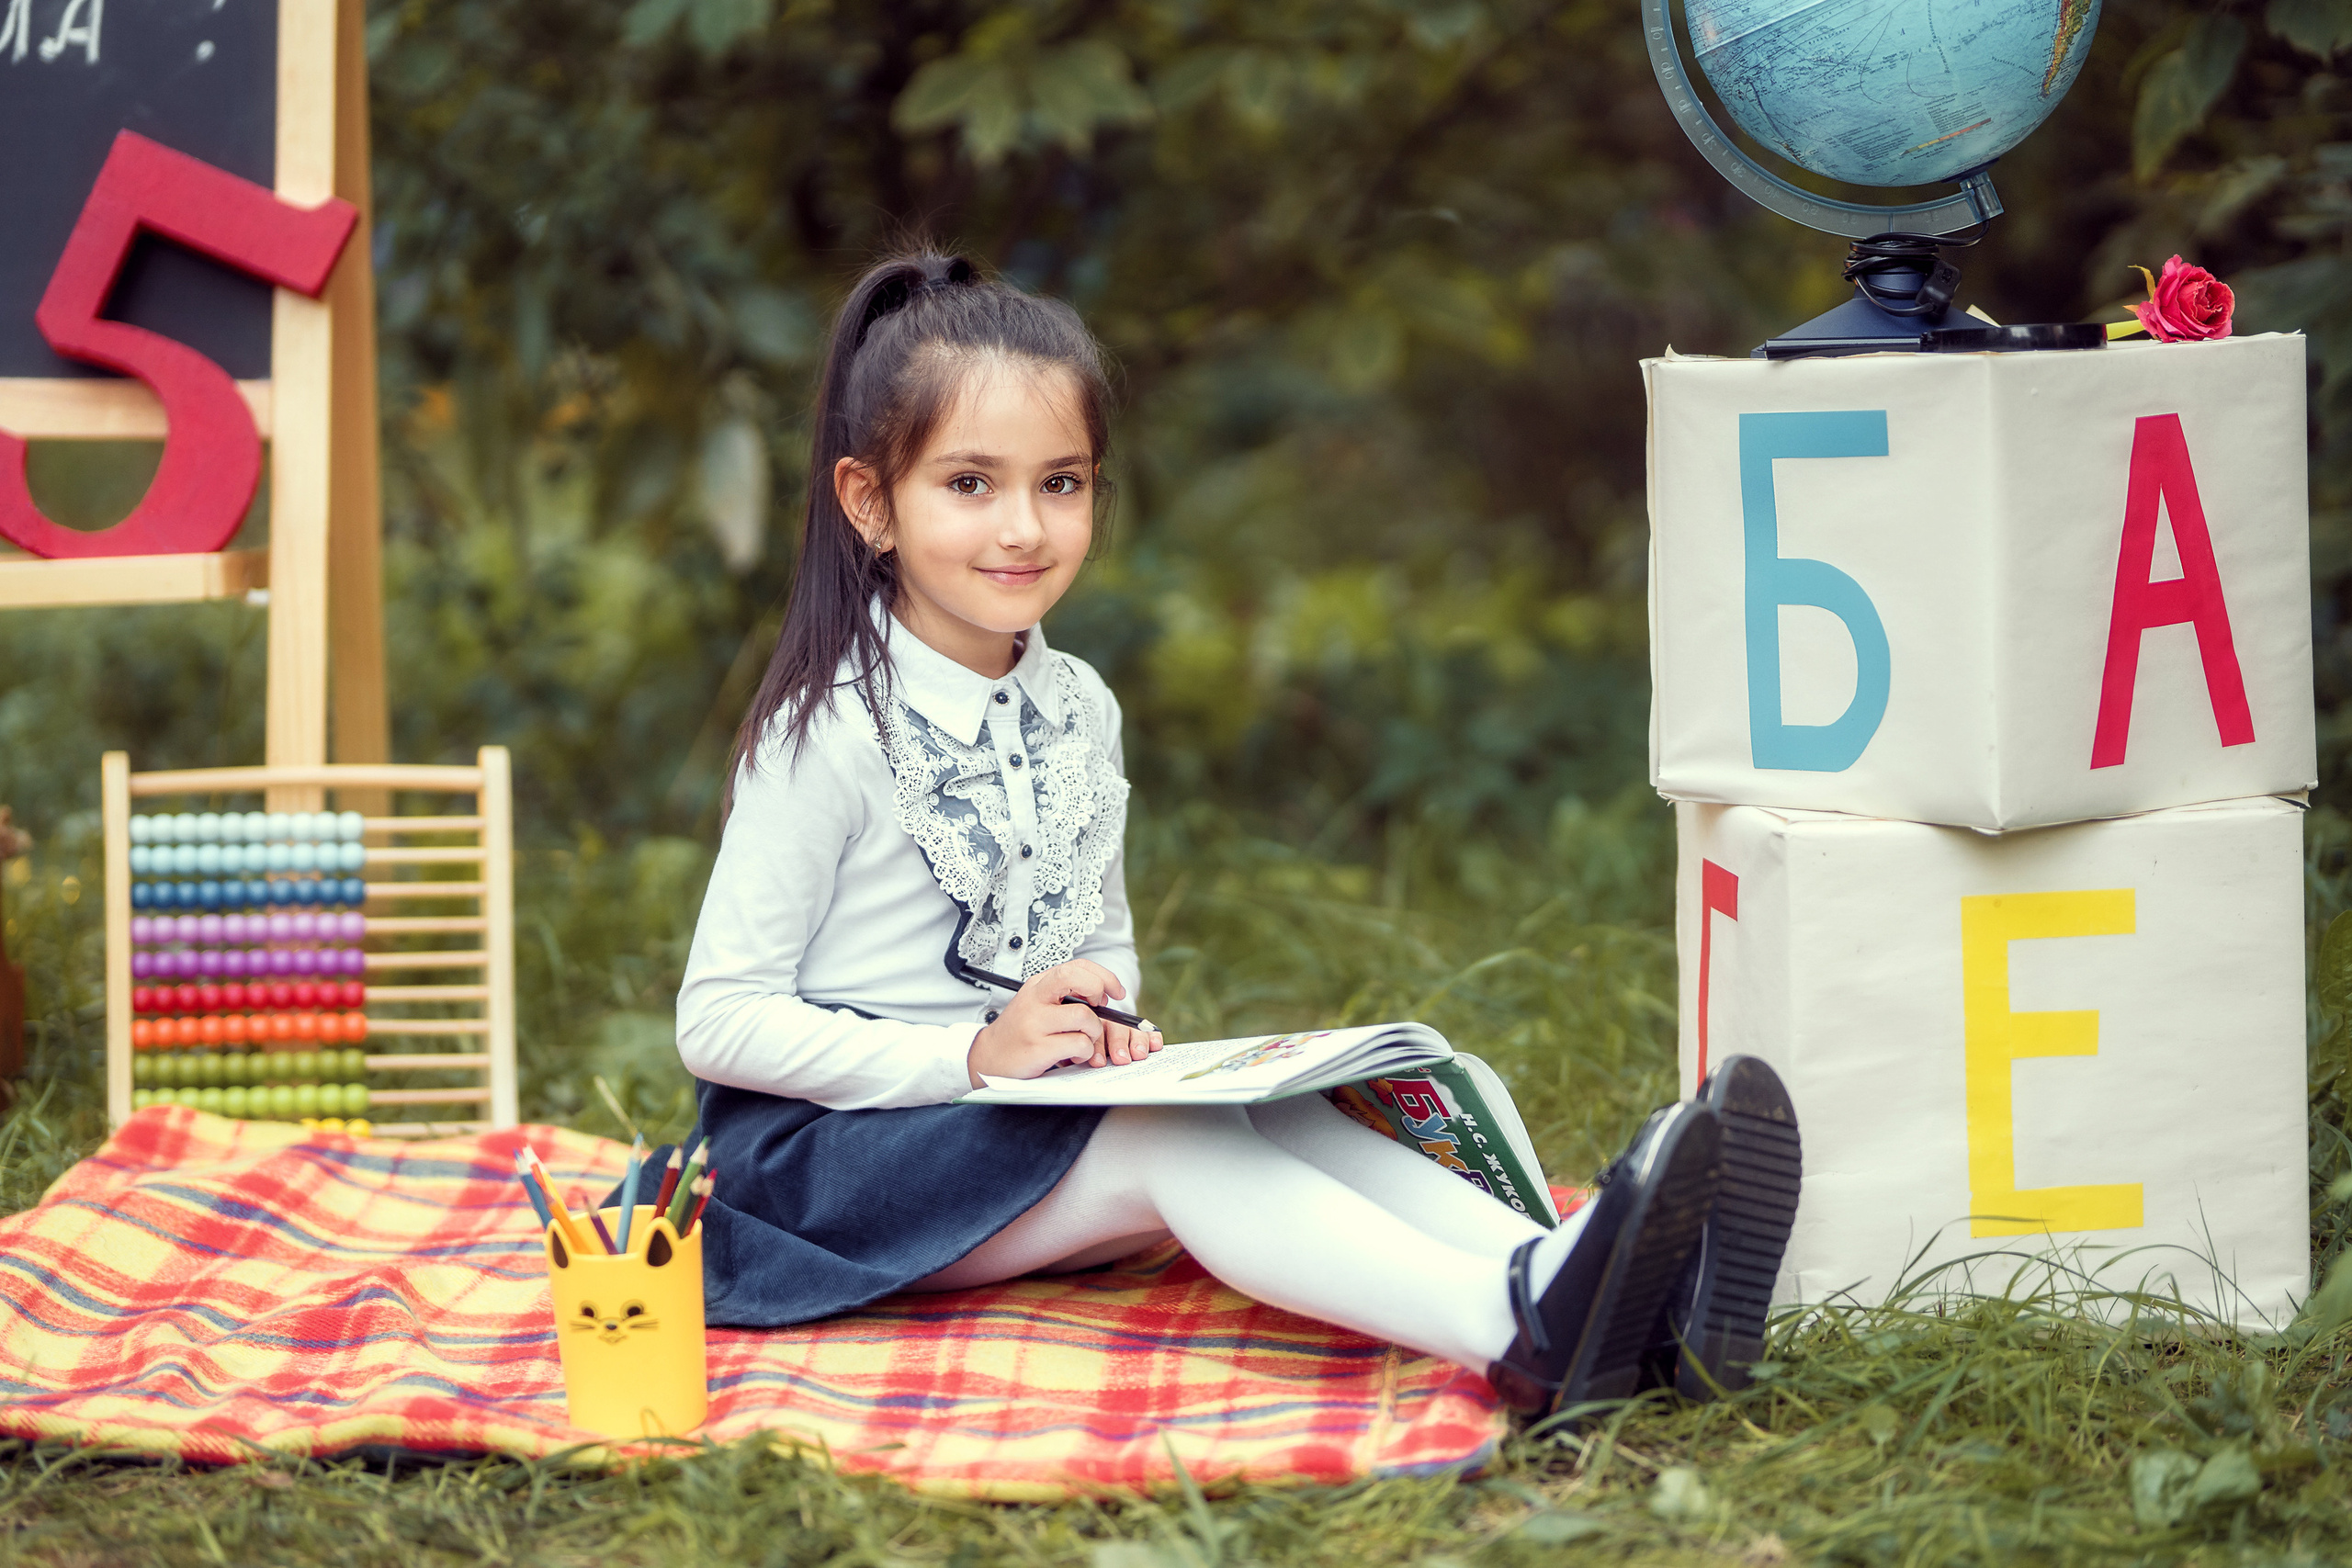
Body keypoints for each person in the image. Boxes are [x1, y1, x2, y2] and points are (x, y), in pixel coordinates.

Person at [672, 250, 1801, 1417]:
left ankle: (1608, 1291)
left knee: (1282, 1106)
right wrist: (969, 1058)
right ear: (871, 503)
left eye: (1061, 483)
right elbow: (717, 1022)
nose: (1023, 527)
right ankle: (1514, 1330)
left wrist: (1096, 1008)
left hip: (1005, 1123)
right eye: (969, 484)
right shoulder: (828, 736)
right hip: (828, 1175)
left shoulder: (1078, 707)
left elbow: (1101, 938)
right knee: (1179, 1150)